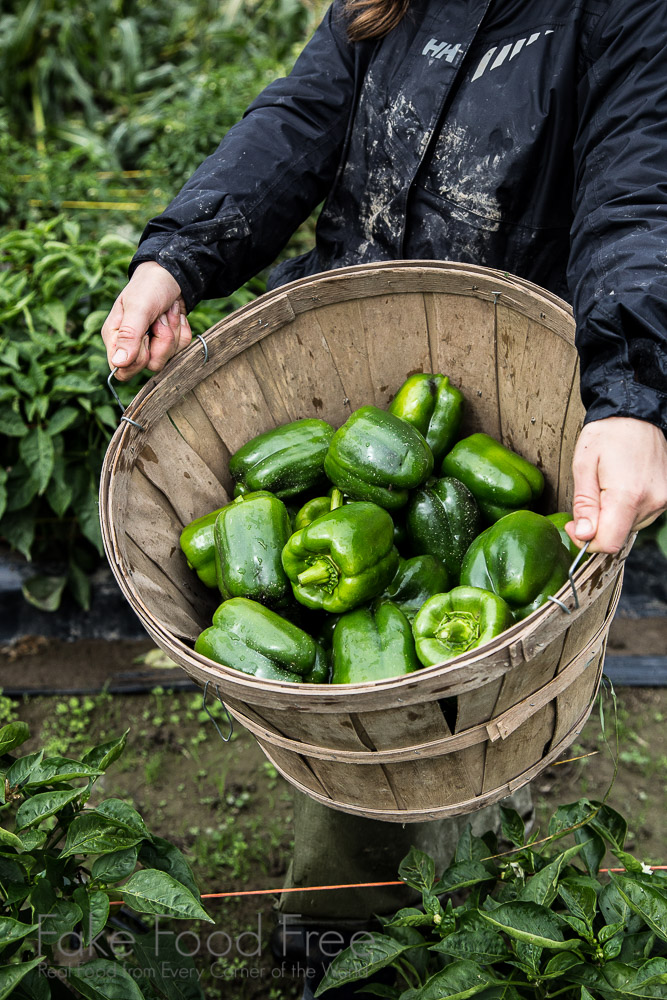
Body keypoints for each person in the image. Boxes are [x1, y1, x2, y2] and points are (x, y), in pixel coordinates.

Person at [101, 0, 667, 982]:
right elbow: (301, 119)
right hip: (377, 391)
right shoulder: (387, 1)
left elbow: (638, 187)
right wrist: (177, 252)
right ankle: (348, 934)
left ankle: (407, 915)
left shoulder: (620, 14)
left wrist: (628, 392)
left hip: (518, 392)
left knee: (485, 690)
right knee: (378, 726)